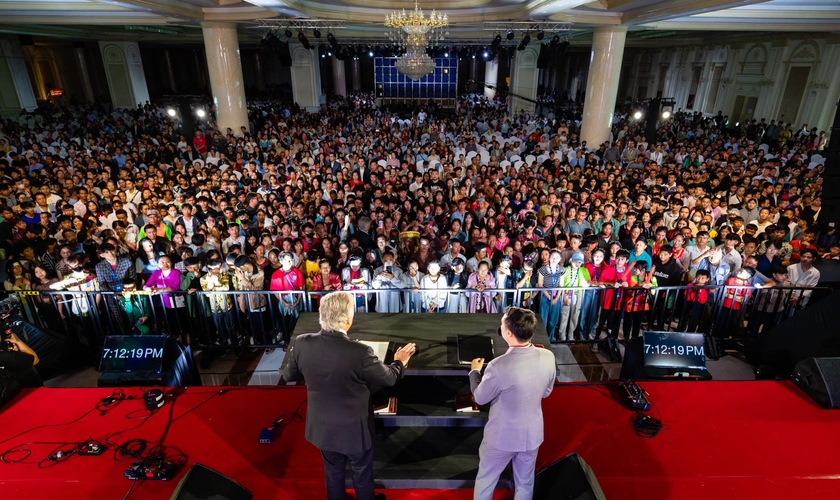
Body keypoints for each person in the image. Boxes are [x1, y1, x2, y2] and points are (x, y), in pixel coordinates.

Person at [282, 292, 416, 500]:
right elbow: (389, 378)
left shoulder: (301, 342)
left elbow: (289, 374)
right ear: (348, 319)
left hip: (322, 426)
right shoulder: (360, 352)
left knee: (333, 473)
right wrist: (399, 361)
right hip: (355, 429)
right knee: (361, 473)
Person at [469, 307, 556, 500]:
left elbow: (480, 397)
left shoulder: (498, 366)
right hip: (532, 435)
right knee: (525, 483)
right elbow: (547, 392)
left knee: (486, 480)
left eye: (501, 323)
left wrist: (474, 372)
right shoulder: (548, 356)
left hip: (501, 437)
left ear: (508, 333)